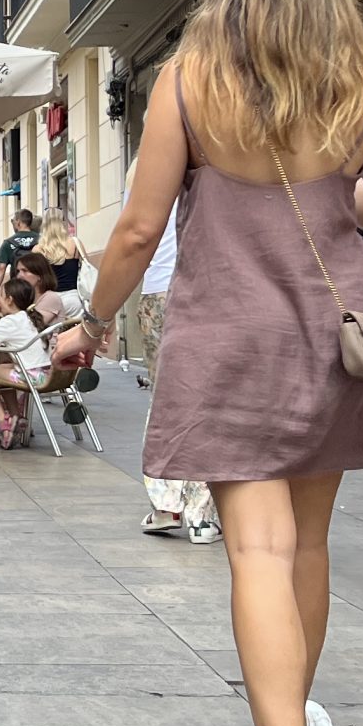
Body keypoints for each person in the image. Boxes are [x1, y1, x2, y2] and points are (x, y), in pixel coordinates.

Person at [58, 0, 363, 726]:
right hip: (330, 339)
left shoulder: (189, 81)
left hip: (228, 339)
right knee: (307, 547)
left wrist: (93, 322)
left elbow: (137, 229)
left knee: (254, 550)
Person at [134, 202, 220, 545]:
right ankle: (201, 517)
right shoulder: (221, 149)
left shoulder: (141, 165)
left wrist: (101, 315)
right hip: (206, 286)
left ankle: (166, 505)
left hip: (155, 291)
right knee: (207, 401)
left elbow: (138, 233)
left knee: (165, 400)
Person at [0, 278, 54, 448]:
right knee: (2, 367)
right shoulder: (30, 317)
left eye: (0, 296)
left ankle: (3, 422)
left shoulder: (10, 322)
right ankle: (16, 416)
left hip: (31, 377)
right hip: (46, 374)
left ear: (10, 300)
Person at [39, 217, 85, 291]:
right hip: (73, 294)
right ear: (62, 228)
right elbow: (86, 262)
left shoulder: (39, 248)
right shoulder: (74, 243)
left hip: (51, 296)